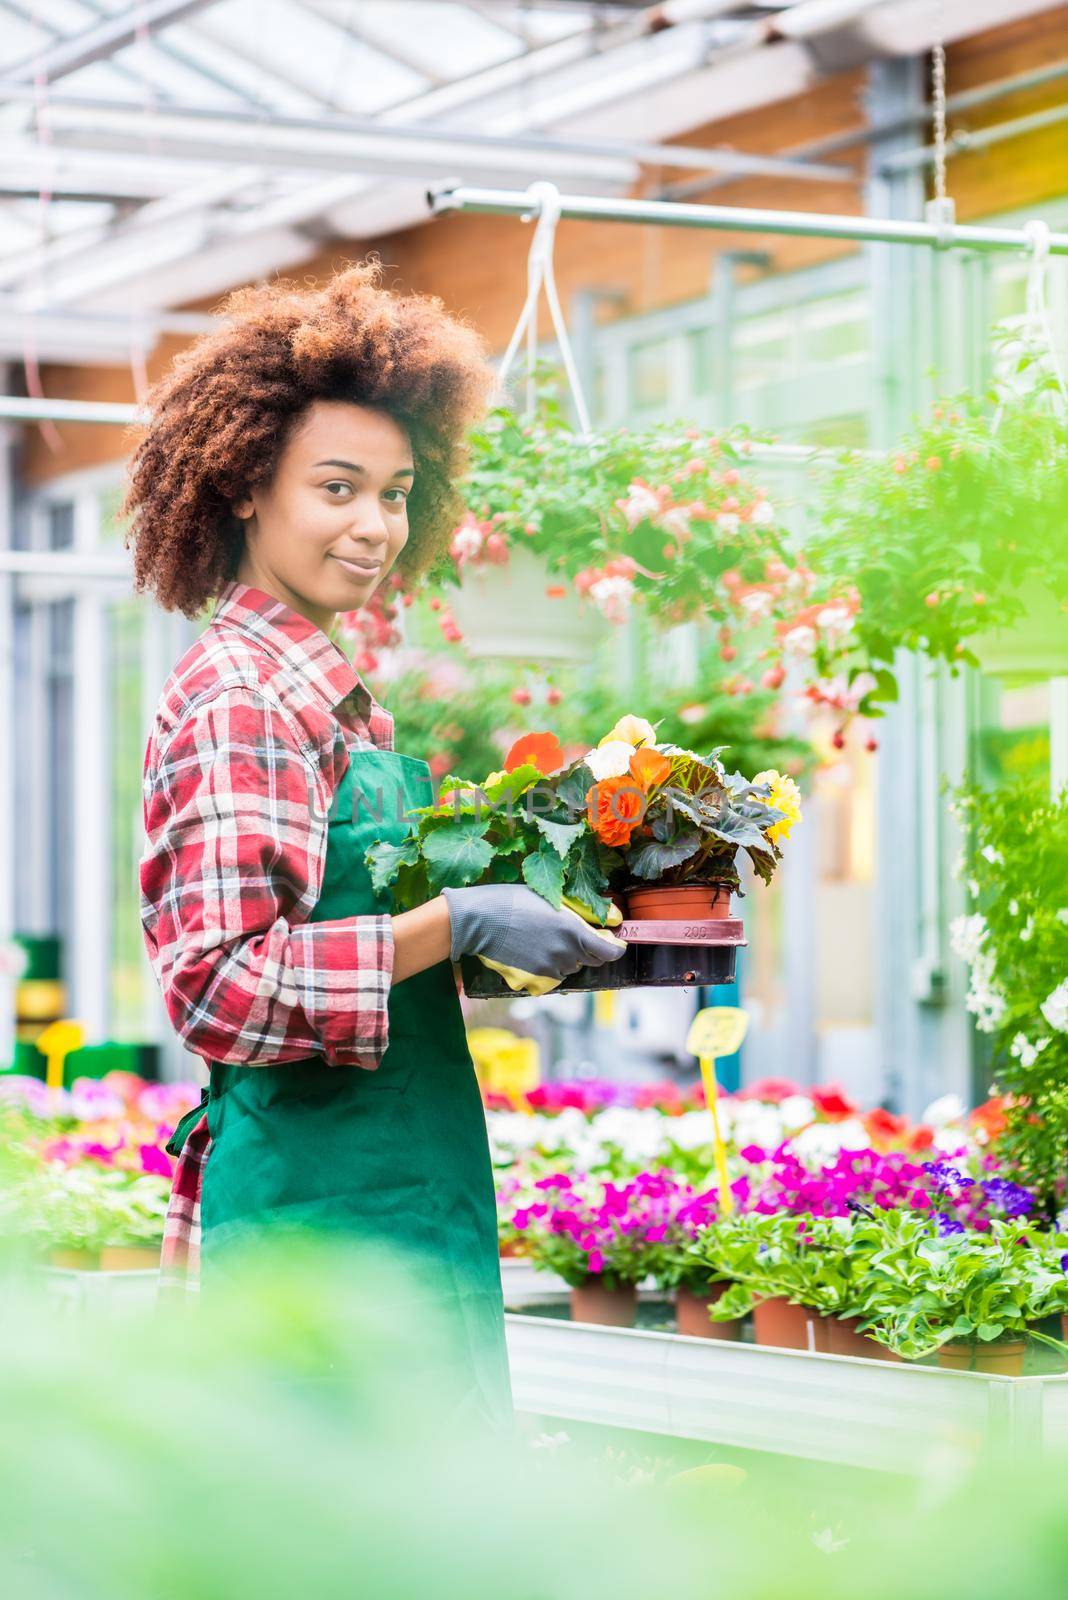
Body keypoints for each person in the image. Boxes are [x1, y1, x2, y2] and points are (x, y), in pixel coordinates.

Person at [125, 260, 626, 1432]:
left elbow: (342, 939)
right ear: (247, 483)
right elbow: (218, 987)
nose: (375, 527)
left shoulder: (332, 698)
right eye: (338, 486)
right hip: (320, 1231)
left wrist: (536, 912)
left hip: (391, 1202)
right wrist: (459, 921)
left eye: (397, 493)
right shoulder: (243, 695)